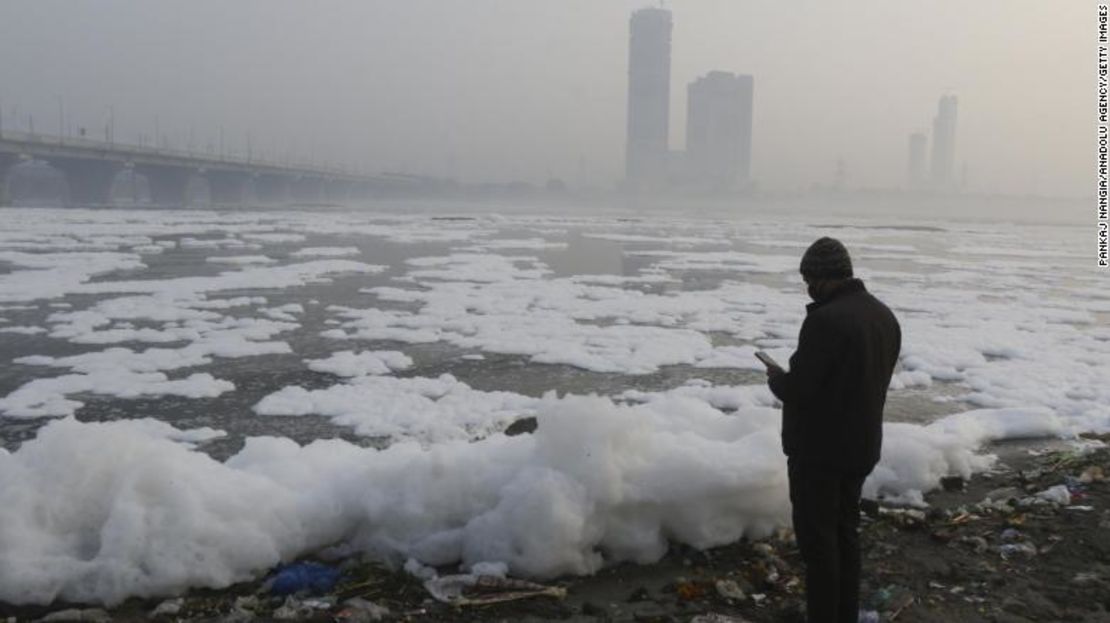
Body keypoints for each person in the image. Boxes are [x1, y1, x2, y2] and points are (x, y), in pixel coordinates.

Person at [764, 237, 901, 623]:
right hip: (860, 447)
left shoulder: (825, 321)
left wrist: (776, 378)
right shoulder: (883, 316)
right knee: (845, 534)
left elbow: (800, 389)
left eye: (810, 278)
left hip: (820, 453)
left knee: (819, 544)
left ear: (825, 277)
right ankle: (845, 614)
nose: (808, 287)